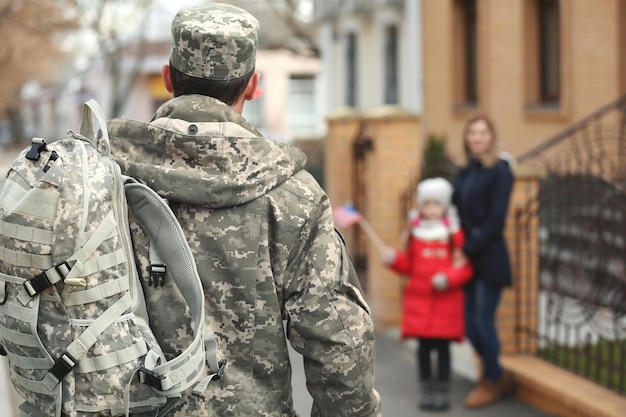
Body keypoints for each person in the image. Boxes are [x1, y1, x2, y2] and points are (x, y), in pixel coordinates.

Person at [108, 4, 381, 416]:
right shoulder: (293, 195)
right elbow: (339, 343)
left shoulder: (102, 174)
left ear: (168, 78)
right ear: (253, 86)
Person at [380, 177, 473, 411]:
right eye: (427, 204)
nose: (431, 209)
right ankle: (427, 390)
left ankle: (442, 390)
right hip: (419, 302)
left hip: (445, 302)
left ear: (445, 207)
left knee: (442, 349)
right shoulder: (413, 233)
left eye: (436, 204)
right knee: (423, 350)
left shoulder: (454, 235)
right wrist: (393, 260)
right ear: (421, 206)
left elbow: (465, 267)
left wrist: (448, 278)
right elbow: (408, 266)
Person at [451, 115, 515, 408]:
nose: (477, 137)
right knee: (467, 325)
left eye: (482, 132)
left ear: (491, 137)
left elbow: (496, 220)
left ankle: (491, 381)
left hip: (489, 257)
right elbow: (453, 213)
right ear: (466, 138)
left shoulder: (500, 171)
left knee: (483, 320)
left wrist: (468, 247)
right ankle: (498, 373)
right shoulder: (464, 171)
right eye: (472, 132)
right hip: (467, 259)